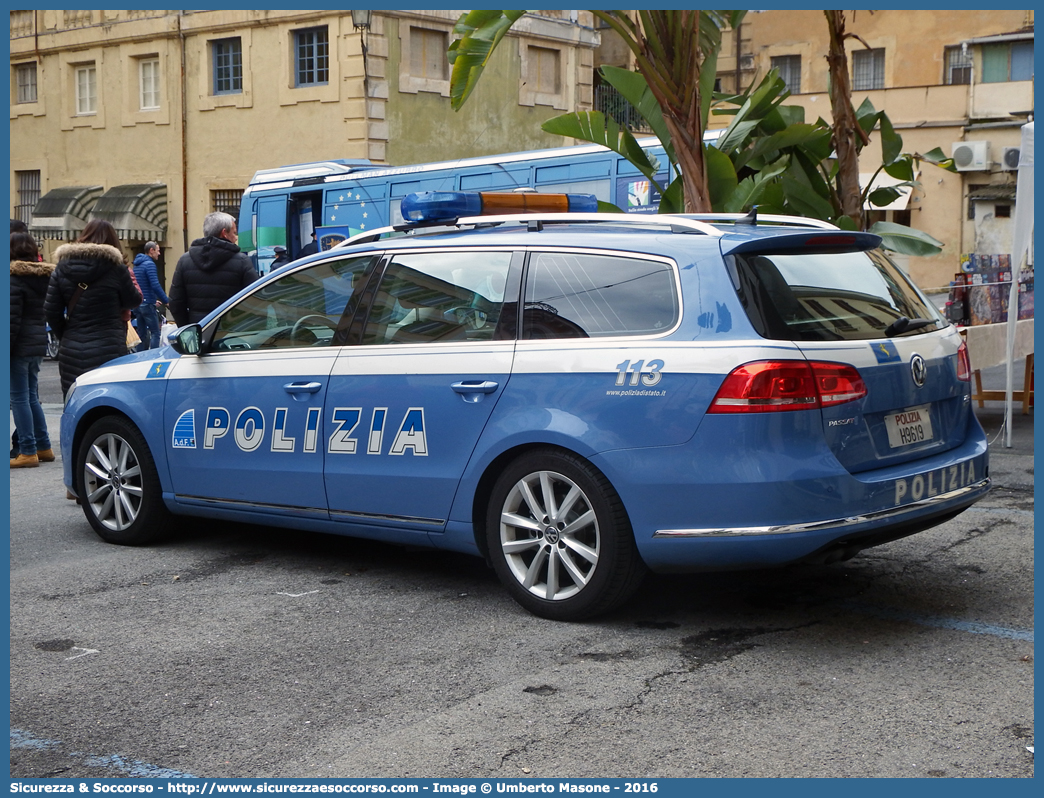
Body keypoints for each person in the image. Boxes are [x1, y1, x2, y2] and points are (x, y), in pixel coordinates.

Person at [44, 219, 142, 397]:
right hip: (109, 345)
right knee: (107, 401)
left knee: (74, 400)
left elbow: (51, 310)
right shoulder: (117, 268)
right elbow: (133, 300)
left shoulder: (62, 268)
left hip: (71, 347)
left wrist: (66, 334)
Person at [10, 232, 55, 468]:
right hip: (37, 342)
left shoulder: (13, 279)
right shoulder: (45, 277)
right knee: (31, 397)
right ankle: (44, 446)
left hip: (19, 345)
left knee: (19, 398)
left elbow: (11, 320)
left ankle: (27, 450)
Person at [168, 211, 259, 326]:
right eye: (234, 233)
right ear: (224, 233)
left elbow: (175, 302)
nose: (236, 238)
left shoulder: (185, 260)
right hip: (231, 331)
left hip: (199, 331)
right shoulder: (242, 261)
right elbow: (256, 299)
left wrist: (189, 329)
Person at [132, 241, 170, 350]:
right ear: (151, 250)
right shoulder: (150, 264)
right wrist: (166, 300)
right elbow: (155, 285)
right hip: (147, 304)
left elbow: (141, 285)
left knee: (141, 334)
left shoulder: (137, 265)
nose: (159, 253)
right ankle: (153, 357)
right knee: (155, 333)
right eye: (158, 250)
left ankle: (140, 358)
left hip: (138, 304)